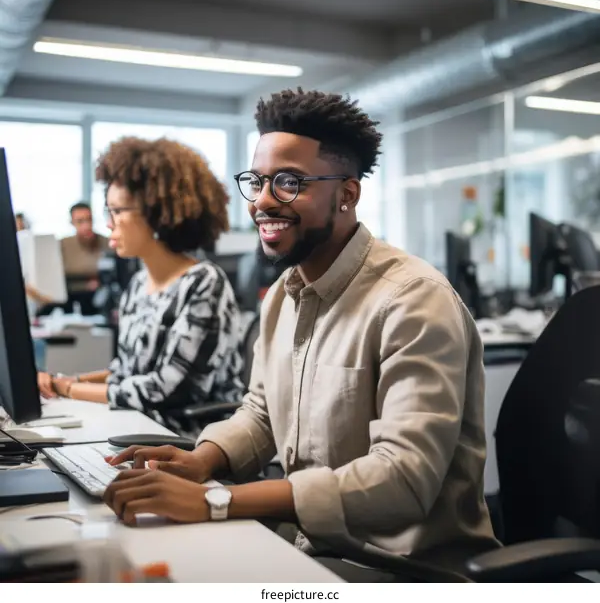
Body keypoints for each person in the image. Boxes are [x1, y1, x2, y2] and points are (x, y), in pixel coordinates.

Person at [103, 89, 500, 581]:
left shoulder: (413, 299)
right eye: (258, 181)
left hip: (404, 570)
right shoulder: (282, 298)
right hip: (314, 552)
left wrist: (218, 500)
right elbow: (262, 412)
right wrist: (200, 462)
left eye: (290, 182)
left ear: (347, 194)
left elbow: (403, 479)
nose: (264, 201)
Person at [37, 137, 246, 436]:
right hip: (135, 428)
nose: (108, 224)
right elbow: (125, 373)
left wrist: (68, 387)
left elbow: (165, 389)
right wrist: (64, 382)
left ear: (158, 213)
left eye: (118, 211)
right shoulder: (137, 285)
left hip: (188, 441)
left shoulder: (204, 284)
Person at [60, 202, 109, 314]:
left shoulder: (106, 243)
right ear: (72, 223)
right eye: (80, 221)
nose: (86, 226)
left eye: (89, 219)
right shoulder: (63, 244)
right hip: (69, 300)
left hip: (98, 300)